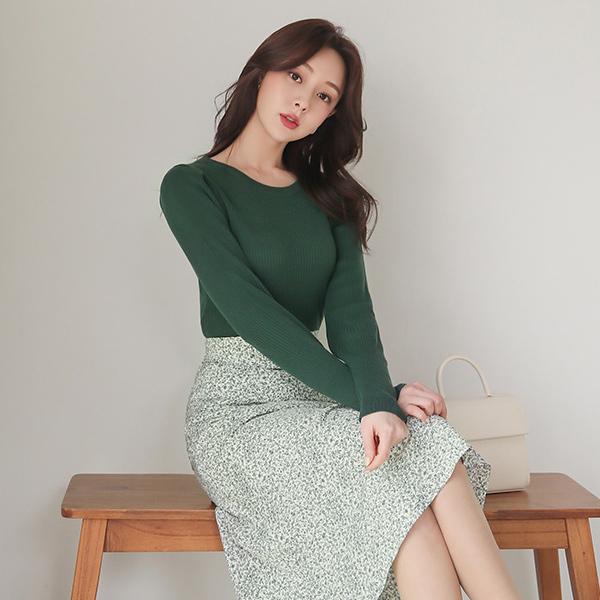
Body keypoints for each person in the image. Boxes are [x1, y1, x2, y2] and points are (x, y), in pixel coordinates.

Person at [159, 17, 522, 600]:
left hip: (319, 400)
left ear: (331, 115)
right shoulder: (191, 185)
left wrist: (378, 396)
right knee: (408, 487)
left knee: (421, 467)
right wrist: (372, 400)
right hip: (237, 417)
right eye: (295, 76)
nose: (304, 101)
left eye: (325, 96)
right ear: (261, 72)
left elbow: (354, 319)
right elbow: (251, 314)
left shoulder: (333, 201)